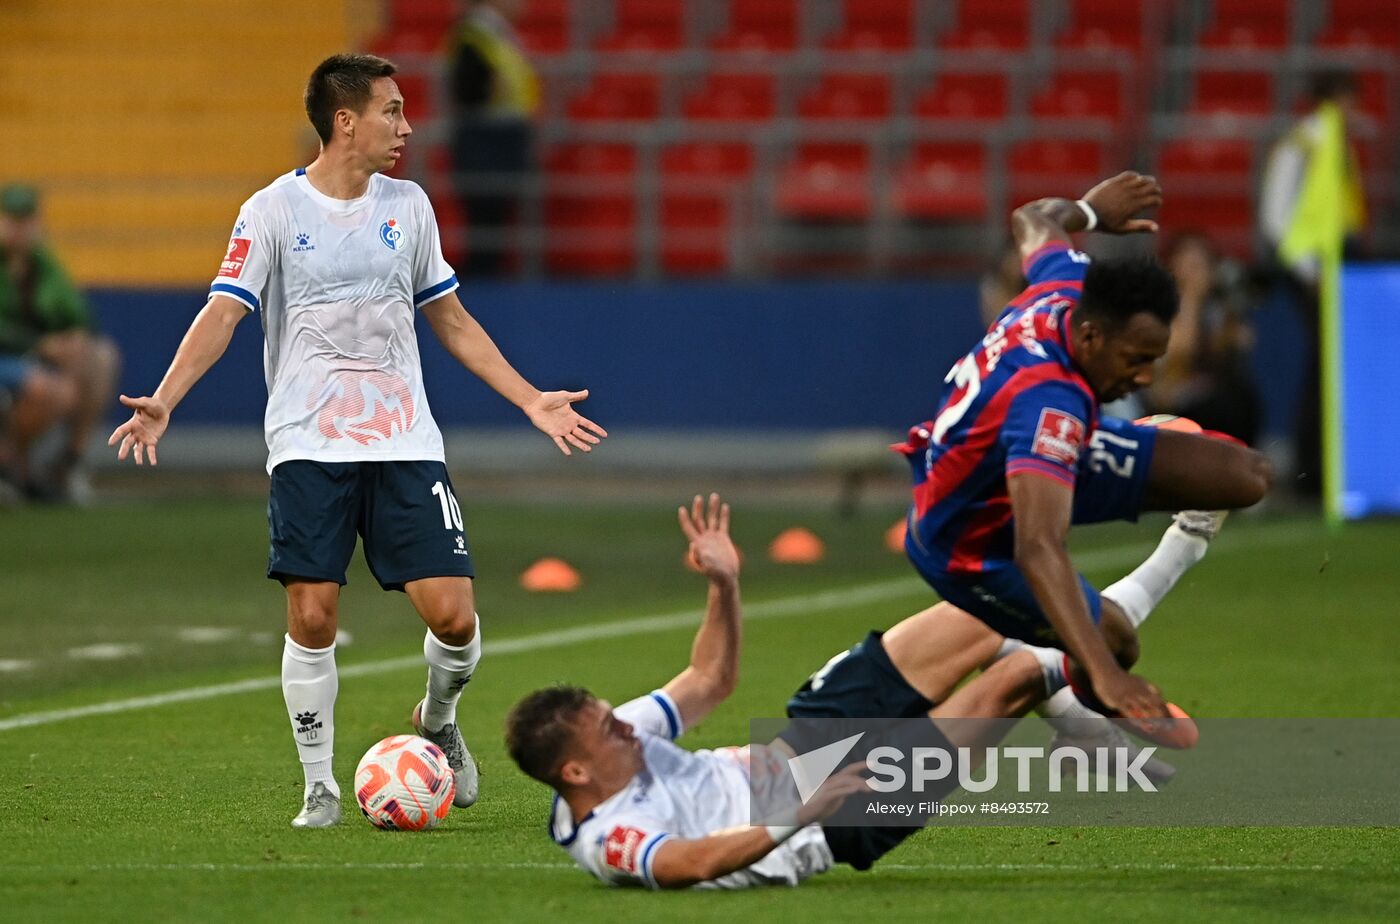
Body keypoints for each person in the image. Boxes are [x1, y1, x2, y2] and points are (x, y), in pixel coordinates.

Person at [107, 53, 607, 828]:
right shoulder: (271, 211)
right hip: (309, 444)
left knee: (455, 619)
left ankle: (438, 719)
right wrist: (166, 400)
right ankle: (320, 784)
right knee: (312, 619)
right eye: (392, 111)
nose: (406, 128)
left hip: (404, 441)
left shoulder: (408, 207)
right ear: (346, 121)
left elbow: (451, 319)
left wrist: (529, 399)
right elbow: (224, 312)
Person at [506, 494, 1064, 889]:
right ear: (576, 772)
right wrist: (798, 812)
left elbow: (709, 681)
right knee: (1014, 681)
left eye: (613, 715)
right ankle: (1110, 649)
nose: (627, 724)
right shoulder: (608, 840)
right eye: (609, 727)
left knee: (984, 610)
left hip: (798, 745)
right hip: (839, 816)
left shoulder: (618, 735)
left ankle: (1081, 701)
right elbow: (693, 863)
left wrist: (724, 585)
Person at [895, 171, 1272, 722]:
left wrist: (1090, 214)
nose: (1145, 377)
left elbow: (1033, 219)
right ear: (1092, 338)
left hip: (1022, 453)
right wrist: (1107, 674)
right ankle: (1070, 692)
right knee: (1116, 643)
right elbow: (1038, 548)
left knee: (1246, 478)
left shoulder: (1068, 283)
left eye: (1154, 358)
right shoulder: (1050, 401)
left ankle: (1072, 648)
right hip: (968, 539)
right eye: (1136, 360)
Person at [1258, 69, 1366, 495]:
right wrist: (1310, 271)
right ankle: (1314, 473)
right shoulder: (1301, 145)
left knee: (1336, 369)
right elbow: (1276, 215)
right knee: (1324, 369)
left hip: (1341, 263)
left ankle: (1332, 469)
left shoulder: (1337, 147)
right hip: (1315, 270)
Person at [0, 183, 120, 502]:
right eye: (12, 219)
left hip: (27, 357)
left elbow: (78, 314)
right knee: (49, 390)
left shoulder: (42, 265)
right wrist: (40, 343)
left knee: (100, 356)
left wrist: (72, 338)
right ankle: (10, 464)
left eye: (27, 220)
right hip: (10, 355)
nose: (20, 229)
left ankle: (69, 462)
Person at [1143, 232, 1261, 446]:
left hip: (1213, 400)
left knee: (1240, 400)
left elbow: (1235, 347)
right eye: (1189, 263)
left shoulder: (1217, 310)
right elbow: (1180, 356)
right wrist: (1191, 298)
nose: (1196, 271)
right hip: (1169, 402)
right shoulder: (1158, 311)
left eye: (1202, 263)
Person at [449, 0, 540, 276]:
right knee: (485, 217)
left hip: (502, 135)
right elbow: (468, 88)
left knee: (494, 220)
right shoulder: (476, 35)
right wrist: (489, 89)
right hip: (486, 139)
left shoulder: (496, 32)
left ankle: (486, 274)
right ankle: (479, 280)